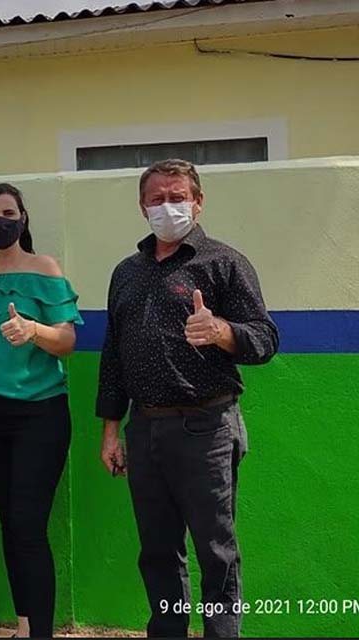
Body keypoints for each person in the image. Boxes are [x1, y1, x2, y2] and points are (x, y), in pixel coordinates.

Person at [97, 159, 279, 637]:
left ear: (198, 202)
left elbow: (265, 339)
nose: (168, 207)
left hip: (207, 429)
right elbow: (113, 355)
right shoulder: (125, 273)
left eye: (178, 197)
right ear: (142, 207)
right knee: (157, 551)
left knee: (216, 552)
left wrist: (220, 330)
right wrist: (112, 431)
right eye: (157, 199)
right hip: (145, 429)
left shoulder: (224, 263)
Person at [0, 183, 80, 638]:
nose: (1, 221)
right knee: (11, 523)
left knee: (27, 524)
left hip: (40, 414)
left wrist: (33, 330)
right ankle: (25, 626)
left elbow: (67, 343)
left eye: (8, 212)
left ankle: (39, 631)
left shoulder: (45, 270)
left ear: (23, 217)